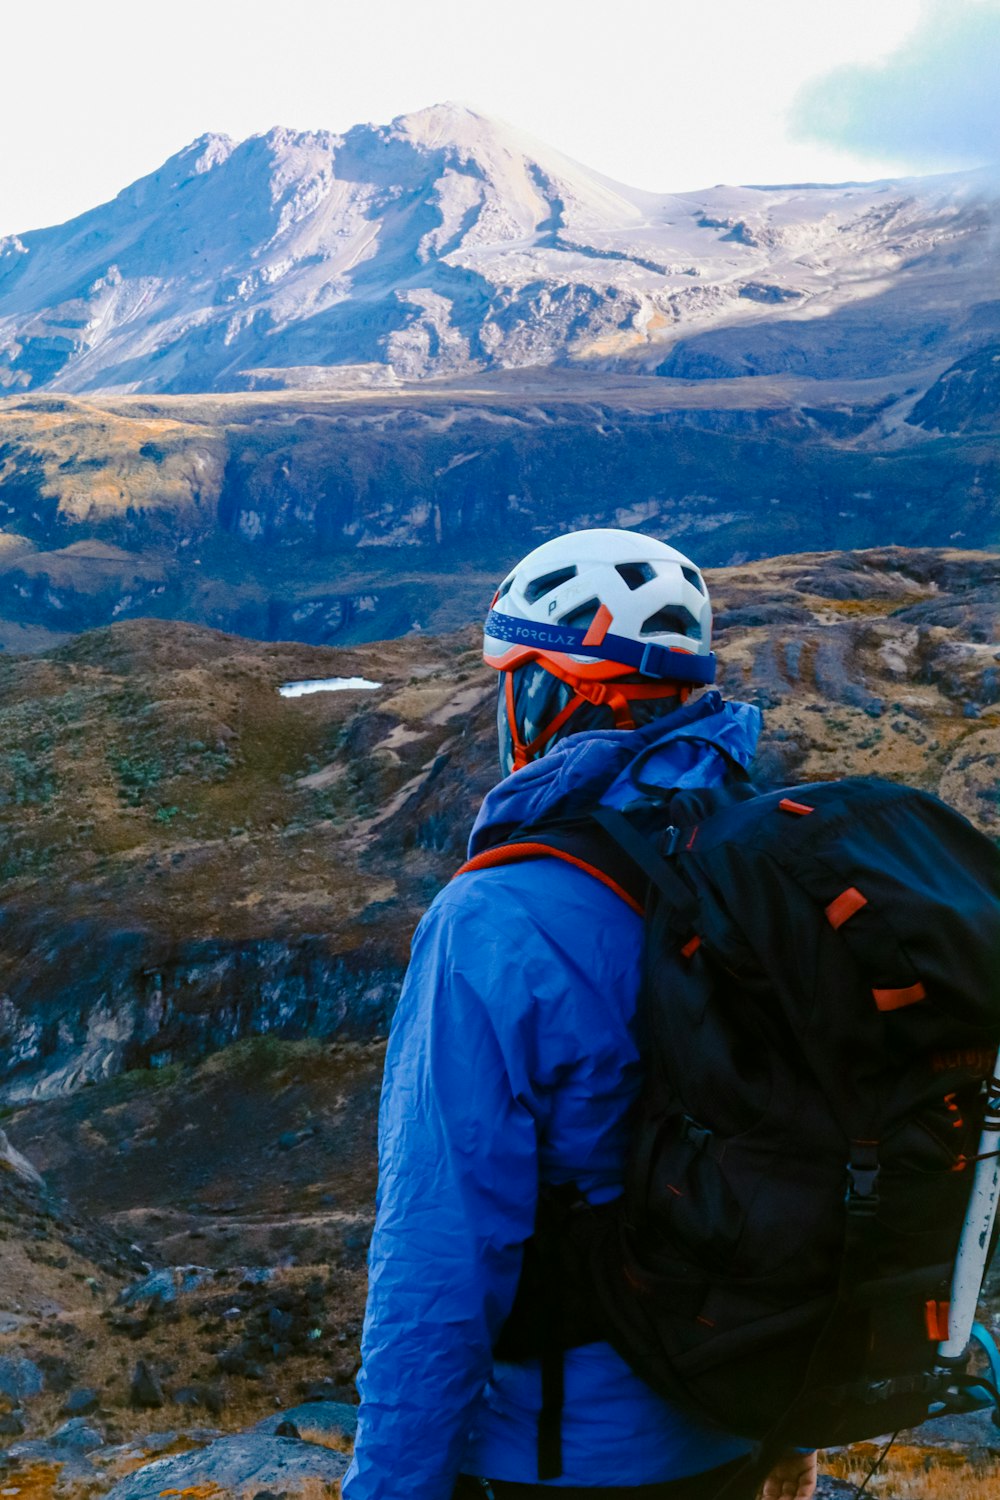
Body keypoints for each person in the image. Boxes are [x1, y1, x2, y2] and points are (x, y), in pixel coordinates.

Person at [343, 529, 819, 1500]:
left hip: (563, 1451)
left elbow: (438, 1248)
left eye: (515, 678)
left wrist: (391, 1486)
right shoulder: (762, 858)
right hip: (739, 1416)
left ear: (559, 694)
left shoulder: (491, 920)